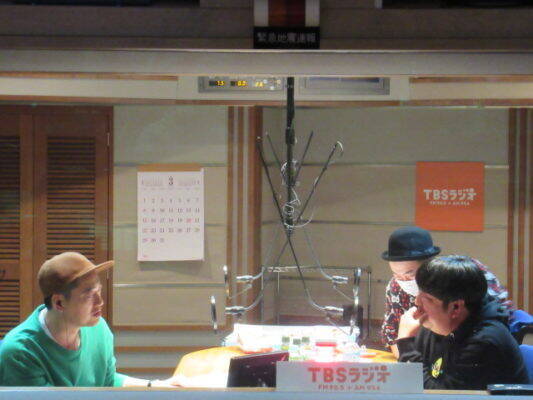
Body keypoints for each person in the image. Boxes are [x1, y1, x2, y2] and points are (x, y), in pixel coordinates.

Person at [0, 252, 177, 387]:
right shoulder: (20, 352)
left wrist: (156, 386)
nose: (100, 302)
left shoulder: (99, 329)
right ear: (59, 302)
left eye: (99, 291)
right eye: (89, 295)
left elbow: (108, 382)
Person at [396, 255, 528, 389]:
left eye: (428, 299)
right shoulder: (435, 325)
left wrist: (407, 344)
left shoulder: (485, 342)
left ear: (456, 307)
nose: (417, 301)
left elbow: (441, 395)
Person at [381, 226, 511, 358]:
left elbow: (496, 313)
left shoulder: (460, 275)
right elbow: (392, 335)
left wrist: (407, 343)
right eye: (396, 275)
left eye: (410, 274)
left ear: (430, 264)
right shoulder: (396, 286)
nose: (403, 281)